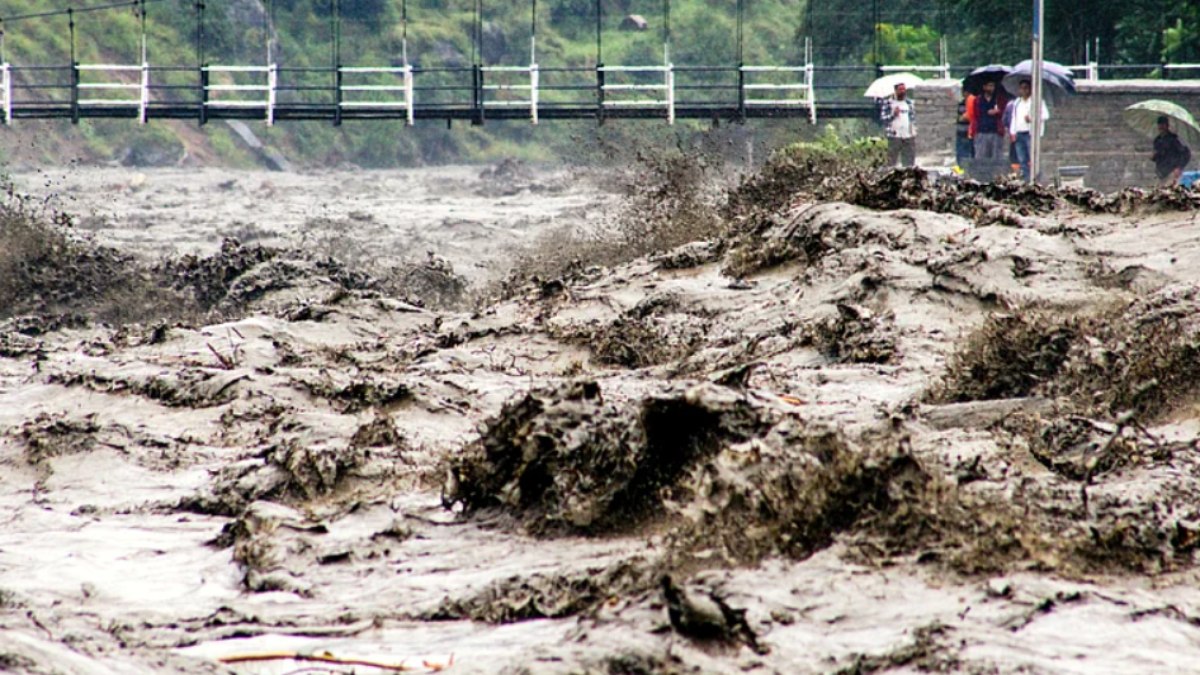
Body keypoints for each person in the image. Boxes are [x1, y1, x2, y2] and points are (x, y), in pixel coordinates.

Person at [1007, 79, 1049, 181]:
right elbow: (1014, 117)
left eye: (1026, 88)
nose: (1023, 90)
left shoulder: (1037, 101)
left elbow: (1045, 115)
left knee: (1033, 157)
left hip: (1030, 133)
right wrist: (1012, 132)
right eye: (1021, 88)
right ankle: (1025, 178)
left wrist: (1033, 118)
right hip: (1019, 132)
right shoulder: (1017, 102)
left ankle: (1036, 178)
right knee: (1022, 159)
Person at [880, 82, 916, 167]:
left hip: (908, 135)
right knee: (892, 159)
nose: (903, 91)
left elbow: (913, 118)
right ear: (895, 90)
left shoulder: (909, 103)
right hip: (894, 135)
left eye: (904, 89)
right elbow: (883, 119)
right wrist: (893, 115)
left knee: (909, 161)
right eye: (900, 90)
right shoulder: (888, 103)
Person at [969, 80, 1008, 160]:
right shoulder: (978, 100)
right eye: (989, 86)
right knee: (981, 157)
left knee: (997, 157)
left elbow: (1005, 112)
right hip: (982, 131)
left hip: (996, 131)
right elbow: (975, 115)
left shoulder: (999, 99)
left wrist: (998, 111)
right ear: (984, 87)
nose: (991, 88)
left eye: (993, 86)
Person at [1152, 115, 1192, 186]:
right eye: (1159, 125)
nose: (1161, 127)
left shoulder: (1174, 139)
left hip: (1172, 171)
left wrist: (1179, 167)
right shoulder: (1157, 140)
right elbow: (1159, 155)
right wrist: (1154, 156)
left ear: (1167, 126)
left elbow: (1186, 154)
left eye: (1163, 125)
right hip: (1160, 172)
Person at [956, 92, 975, 165]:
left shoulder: (973, 101)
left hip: (969, 132)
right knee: (961, 152)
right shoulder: (961, 103)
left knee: (967, 152)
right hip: (961, 131)